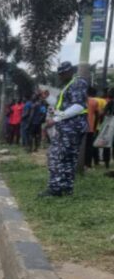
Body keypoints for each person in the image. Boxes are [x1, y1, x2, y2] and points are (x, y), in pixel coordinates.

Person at [40, 61, 88, 197]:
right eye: (59, 73)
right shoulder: (70, 85)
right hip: (70, 127)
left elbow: (78, 106)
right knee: (68, 159)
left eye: (62, 73)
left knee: (56, 157)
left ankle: (55, 189)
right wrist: (48, 98)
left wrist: (55, 120)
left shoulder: (77, 83)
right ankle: (66, 188)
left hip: (71, 127)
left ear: (70, 71)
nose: (60, 76)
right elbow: (62, 106)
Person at [85, 87, 101, 168]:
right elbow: (97, 115)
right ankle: (88, 164)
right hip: (90, 127)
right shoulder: (94, 102)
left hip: (80, 127)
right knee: (89, 146)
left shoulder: (81, 100)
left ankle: (80, 163)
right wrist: (94, 127)